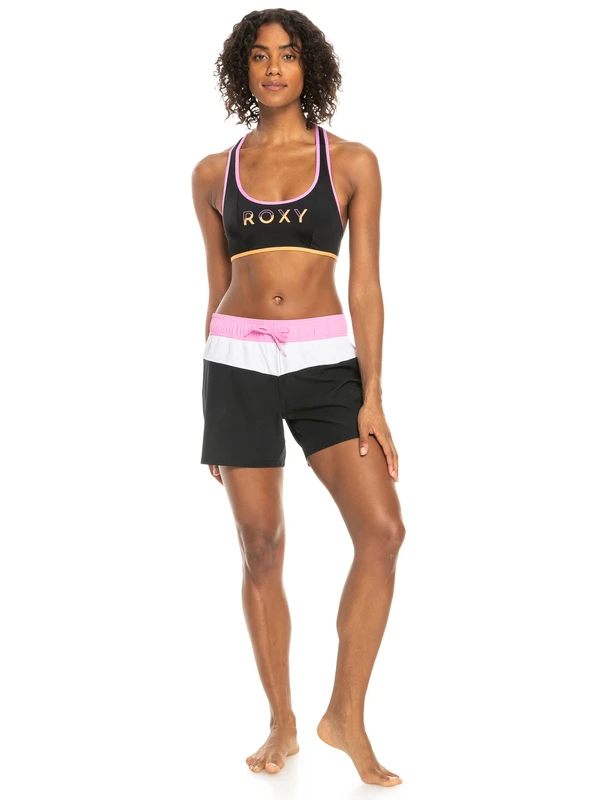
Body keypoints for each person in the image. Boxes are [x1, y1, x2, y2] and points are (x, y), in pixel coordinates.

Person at [191, 8, 406, 787]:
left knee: (382, 530)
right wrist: (211, 407)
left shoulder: (351, 163)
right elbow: (217, 286)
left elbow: (366, 287)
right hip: (237, 366)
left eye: (287, 54)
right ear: (242, 70)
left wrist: (372, 396)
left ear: (309, 66)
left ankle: (345, 713)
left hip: (324, 366)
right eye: (259, 56)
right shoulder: (213, 174)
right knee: (260, 546)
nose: (274, 67)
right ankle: (281, 719)